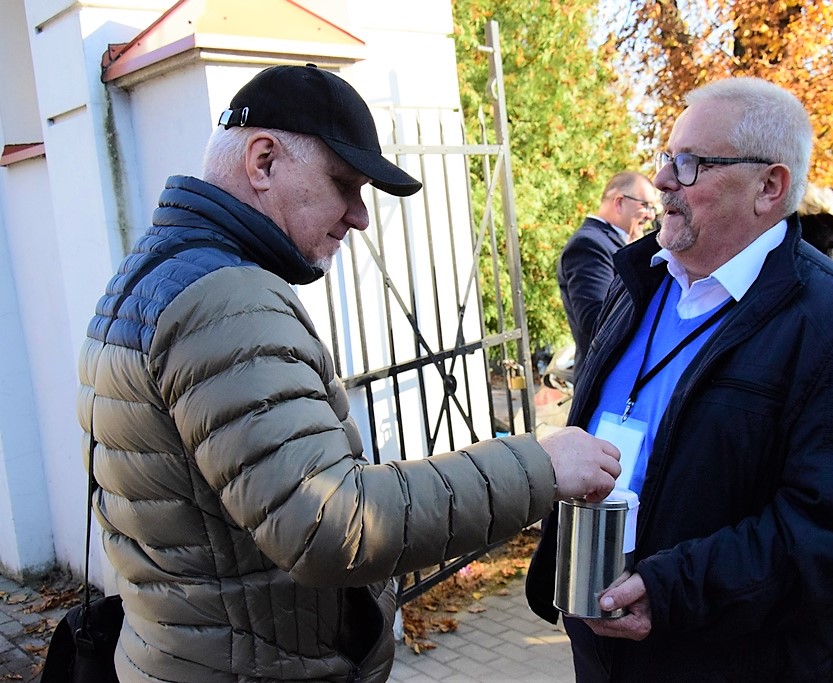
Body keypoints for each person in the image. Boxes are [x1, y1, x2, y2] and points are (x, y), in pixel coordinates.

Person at [77, 64, 621, 683]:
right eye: (345, 183)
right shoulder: (226, 300)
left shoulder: (151, 273)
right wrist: (541, 466)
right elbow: (328, 521)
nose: (359, 216)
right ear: (262, 161)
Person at [525, 77, 833, 681]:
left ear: (770, 185)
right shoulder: (639, 284)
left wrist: (670, 590)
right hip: (607, 640)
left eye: (692, 165)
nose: (662, 182)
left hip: (738, 655)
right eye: (667, 159)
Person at [558, 172, 657, 372]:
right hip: (604, 379)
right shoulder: (589, 245)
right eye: (645, 205)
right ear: (619, 202)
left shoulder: (616, 242)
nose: (651, 215)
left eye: (653, 207)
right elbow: (596, 320)